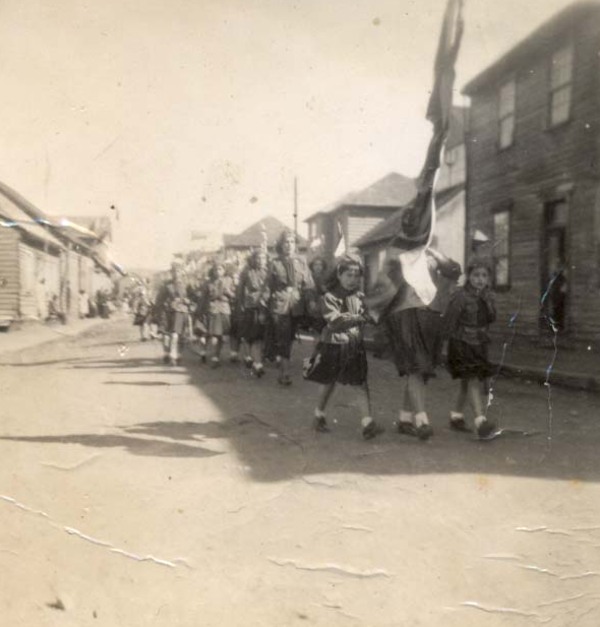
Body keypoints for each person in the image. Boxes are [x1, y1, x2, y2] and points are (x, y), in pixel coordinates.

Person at [381, 245, 461, 441]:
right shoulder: (398, 257)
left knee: (420, 370)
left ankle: (405, 419)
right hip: (407, 317)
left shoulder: (433, 258)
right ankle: (422, 419)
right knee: (416, 366)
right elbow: (388, 284)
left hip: (430, 317)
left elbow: (454, 270)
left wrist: (433, 252)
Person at [303, 254, 382, 440]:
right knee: (328, 382)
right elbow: (336, 322)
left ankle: (367, 423)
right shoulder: (329, 298)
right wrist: (362, 318)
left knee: (360, 383)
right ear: (339, 275)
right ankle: (318, 414)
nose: (353, 279)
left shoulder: (360, 297)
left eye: (356, 276)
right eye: (348, 275)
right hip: (333, 345)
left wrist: (375, 315)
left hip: (354, 345)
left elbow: (372, 314)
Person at [443, 258, 497, 438]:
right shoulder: (460, 296)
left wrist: (488, 304)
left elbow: (490, 318)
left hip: (479, 342)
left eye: (484, 275)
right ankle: (480, 421)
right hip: (462, 343)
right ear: (469, 277)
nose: (480, 279)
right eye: (476, 275)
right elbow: (450, 320)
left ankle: (456, 416)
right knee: (472, 379)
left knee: (468, 381)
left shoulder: (488, 296)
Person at [263, 229, 316, 386]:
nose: (289, 245)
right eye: (286, 242)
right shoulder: (275, 263)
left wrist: (312, 300)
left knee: (289, 338)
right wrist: (262, 306)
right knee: (284, 338)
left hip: (297, 305)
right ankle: (284, 373)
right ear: (281, 245)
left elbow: (309, 284)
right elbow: (268, 287)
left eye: (292, 242)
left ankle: (282, 360)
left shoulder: (301, 262)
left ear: (295, 245)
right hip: (280, 305)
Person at [237, 249, 269, 377]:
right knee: (252, 335)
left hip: (266, 306)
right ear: (253, 259)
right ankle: (255, 361)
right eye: (258, 258)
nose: (260, 261)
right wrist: (240, 304)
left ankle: (257, 361)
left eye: (263, 258)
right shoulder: (246, 272)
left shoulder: (268, 272)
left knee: (260, 336)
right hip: (251, 306)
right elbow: (240, 290)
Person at [154, 263, 192, 365]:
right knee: (166, 335)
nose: (176, 274)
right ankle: (167, 353)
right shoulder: (167, 285)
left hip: (181, 312)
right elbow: (159, 300)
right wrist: (162, 308)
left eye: (179, 271)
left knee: (177, 335)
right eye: (174, 272)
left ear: (182, 273)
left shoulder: (187, 284)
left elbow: (193, 298)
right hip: (168, 313)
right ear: (171, 273)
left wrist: (186, 301)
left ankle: (175, 354)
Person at [201, 261, 235, 368]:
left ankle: (217, 355)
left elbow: (234, 295)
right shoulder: (209, 282)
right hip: (213, 309)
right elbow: (204, 297)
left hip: (224, 309)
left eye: (220, 269)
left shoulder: (229, 281)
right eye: (216, 269)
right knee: (214, 334)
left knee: (222, 335)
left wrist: (228, 292)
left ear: (224, 271)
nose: (218, 271)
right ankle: (213, 356)